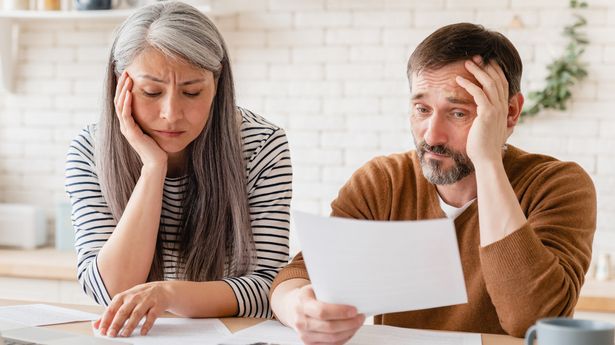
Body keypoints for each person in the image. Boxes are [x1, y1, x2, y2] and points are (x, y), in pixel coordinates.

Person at [269, 22, 596, 344]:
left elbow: (530, 320)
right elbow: (300, 274)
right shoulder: (384, 182)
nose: (431, 135)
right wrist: (298, 307)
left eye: (458, 113)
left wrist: (487, 162)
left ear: (509, 113)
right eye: (422, 109)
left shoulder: (557, 185)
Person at [64, 1, 292, 338]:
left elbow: (266, 289)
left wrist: (169, 293)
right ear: (119, 85)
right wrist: (152, 167)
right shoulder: (89, 149)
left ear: (218, 85)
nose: (171, 113)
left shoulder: (261, 146)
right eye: (151, 91)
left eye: (192, 91)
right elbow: (109, 289)